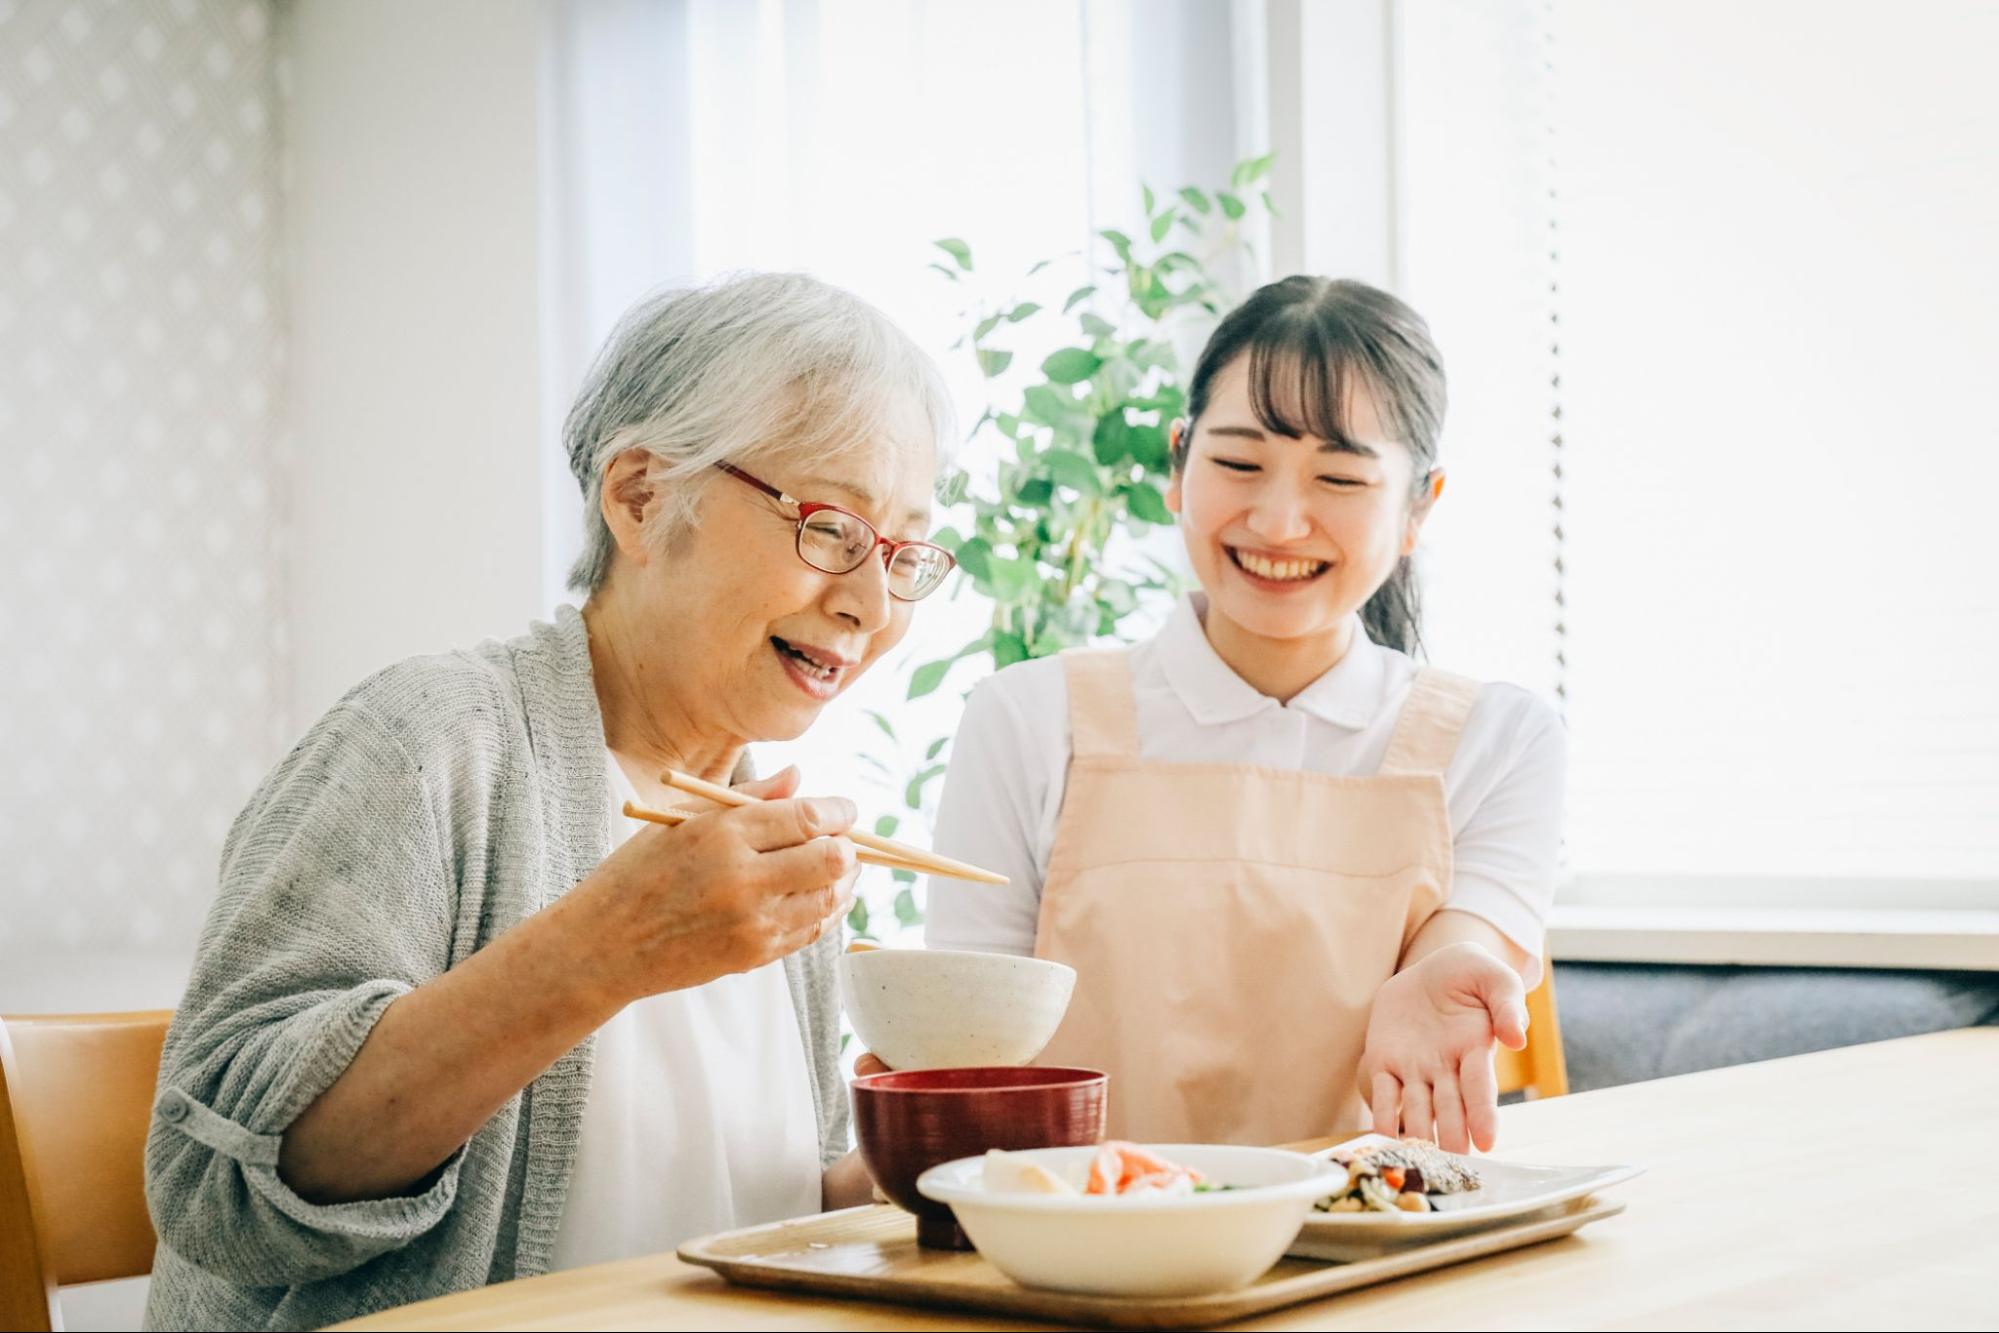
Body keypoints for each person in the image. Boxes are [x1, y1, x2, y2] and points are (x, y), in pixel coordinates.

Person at [144, 273, 958, 1330]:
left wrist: (912, 1164)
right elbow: (221, 1193)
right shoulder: (428, 739)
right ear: (639, 495)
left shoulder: (764, 824)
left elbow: (745, 1207)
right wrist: (603, 950)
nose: (870, 601)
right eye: (832, 528)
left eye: (902, 554)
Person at [924, 276, 1564, 1154]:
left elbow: (1469, 936)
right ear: (1176, 465)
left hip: (1369, 1252)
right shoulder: (1026, 718)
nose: (1278, 519)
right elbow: (970, 1052)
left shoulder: (1501, 737)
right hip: (1076, 1252)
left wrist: (1446, 972)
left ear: (1420, 506)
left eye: (1338, 476)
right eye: (1236, 462)